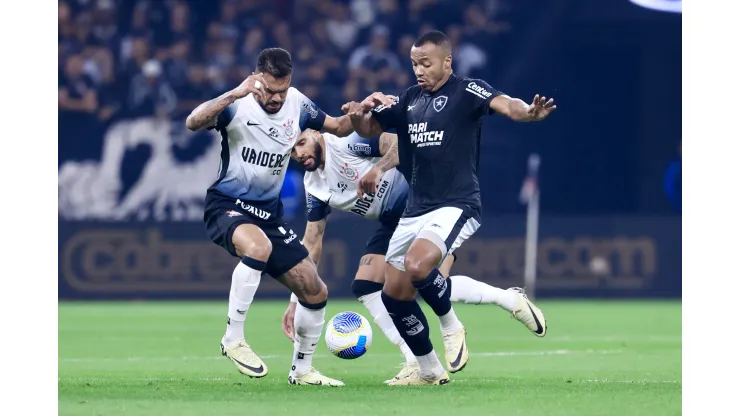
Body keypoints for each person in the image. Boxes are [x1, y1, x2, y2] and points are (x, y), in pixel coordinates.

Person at [344, 30, 556, 386]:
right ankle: (428, 371)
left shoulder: (466, 91)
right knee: (394, 296)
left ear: (447, 61)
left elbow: (507, 104)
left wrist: (528, 113)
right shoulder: (409, 99)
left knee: (417, 266)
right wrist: (356, 115)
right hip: (415, 209)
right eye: (414, 64)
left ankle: (451, 326)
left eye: (425, 63)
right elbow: (369, 127)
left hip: (457, 203)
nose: (419, 70)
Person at [281, 128, 551, 384]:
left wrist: (379, 168)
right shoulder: (314, 186)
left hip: (422, 203)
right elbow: (312, 242)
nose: (299, 154)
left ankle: (507, 300)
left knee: (423, 284)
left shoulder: (345, 141)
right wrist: (298, 297)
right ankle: (415, 360)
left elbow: (397, 143)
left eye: (301, 143)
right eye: (292, 151)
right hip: (392, 221)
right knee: (367, 285)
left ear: (315, 133)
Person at [185, 47, 354, 386]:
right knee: (257, 248)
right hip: (227, 205)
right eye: (270, 89)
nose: (277, 97)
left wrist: (364, 109)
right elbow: (193, 122)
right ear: (257, 77)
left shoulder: (298, 103)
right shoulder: (238, 104)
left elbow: (337, 126)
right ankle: (233, 338)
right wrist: (234, 91)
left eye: (283, 89)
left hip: (268, 216)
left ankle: (303, 370)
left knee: (315, 290)